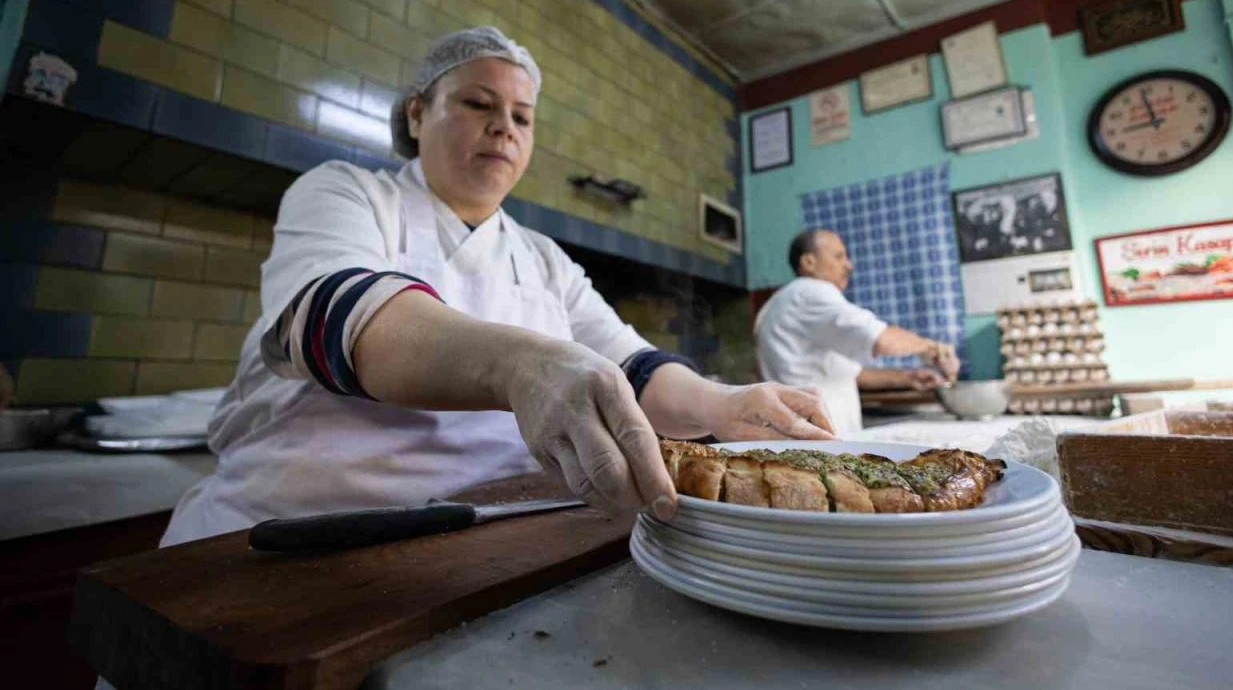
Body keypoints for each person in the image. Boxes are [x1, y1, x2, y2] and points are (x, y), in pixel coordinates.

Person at [160, 27, 833, 548]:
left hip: (486, 539)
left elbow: (631, 366)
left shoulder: (541, 258)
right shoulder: (348, 193)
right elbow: (335, 318)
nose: (503, 127)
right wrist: (519, 363)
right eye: (478, 104)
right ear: (418, 114)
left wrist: (726, 405)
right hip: (290, 539)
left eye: (522, 116)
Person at [754, 228, 961, 437]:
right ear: (809, 262)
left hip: (809, 435)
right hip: (820, 437)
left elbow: (850, 373)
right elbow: (881, 339)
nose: (848, 264)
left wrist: (908, 378)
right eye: (838, 256)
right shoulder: (810, 291)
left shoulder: (777, 305)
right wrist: (933, 347)